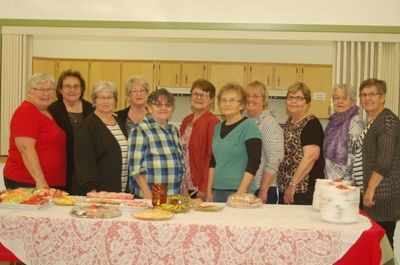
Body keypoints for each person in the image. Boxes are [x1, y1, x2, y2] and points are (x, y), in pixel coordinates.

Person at [3, 73, 66, 189]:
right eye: (41, 90)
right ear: (30, 91)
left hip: (49, 180)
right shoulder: (26, 112)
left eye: (50, 90)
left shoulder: (46, 111)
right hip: (27, 181)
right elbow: (26, 149)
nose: (46, 94)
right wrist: (40, 180)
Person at [357, 78, 400, 248]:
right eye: (364, 94)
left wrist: (370, 189)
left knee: (383, 247)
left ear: (383, 97)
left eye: (373, 94)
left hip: (382, 196)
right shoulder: (375, 121)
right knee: (376, 246)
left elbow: (384, 160)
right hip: (374, 195)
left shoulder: (387, 121)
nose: (367, 98)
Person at [206, 83, 262, 203]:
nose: (227, 104)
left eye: (232, 100)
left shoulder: (249, 126)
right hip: (217, 191)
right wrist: (209, 189)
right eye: (223, 100)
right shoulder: (218, 127)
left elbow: (255, 161)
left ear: (242, 105)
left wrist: (240, 192)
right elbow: (213, 161)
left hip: (240, 191)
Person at [73, 81, 128, 195]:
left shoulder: (119, 122)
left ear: (115, 100)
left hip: (119, 189)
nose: (106, 101)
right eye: (101, 97)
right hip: (98, 192)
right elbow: (83, 161)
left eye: (109, 97)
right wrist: (91, 190)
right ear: (94, 101)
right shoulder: (87, 126)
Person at [128, 88, 184, 199]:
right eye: (158, 105)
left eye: (167, 105)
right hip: (151, 197)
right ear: (149, 107)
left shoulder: (174, 130)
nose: (163, 108)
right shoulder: (140, 130)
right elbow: (135, 168)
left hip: (174, 196)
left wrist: (184, 191)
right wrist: (147, 194)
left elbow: (180, 165)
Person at [277, 81, 325, 205]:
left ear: (307, 103)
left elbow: (310, 157)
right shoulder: (290, 122)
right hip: (288, 188)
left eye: (299, 98)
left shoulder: (311, 124)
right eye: (290, 97)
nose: (293, 101)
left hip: (302, 190)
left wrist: (293, 184)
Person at [48, 69, 94, 193]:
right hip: (61, 167)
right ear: (60, 90)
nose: (72, 90)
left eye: (76, 86)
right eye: (67, 86)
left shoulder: (91, 109)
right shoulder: (52, 110)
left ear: (82, 89)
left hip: (85, 169)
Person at [180, 79, 220, 201]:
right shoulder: (186, 120)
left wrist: (204, 188)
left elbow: (211, 157)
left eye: (204, 95)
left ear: (211, 100)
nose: (198, 98)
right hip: (184, 185)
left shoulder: (213, 122)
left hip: (199, 186)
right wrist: (182, 185)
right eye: (196, 93)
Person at [245, 81, 284, 204]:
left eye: (255, 96)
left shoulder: (268, 123)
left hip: (263, 190)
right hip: (247, 187)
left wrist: (263, 190)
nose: (250, 99)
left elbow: (275, 158)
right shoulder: (245, 121)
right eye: (247, 96)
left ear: (264, 100)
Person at [323, 84, 365, 184]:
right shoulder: (332, 123)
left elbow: (353, 156)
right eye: (336, 98)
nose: (340, 101)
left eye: (345, 98)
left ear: (353, 102)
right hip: (330, 182)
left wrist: (344, 181)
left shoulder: (356, 122)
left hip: (346, 185)